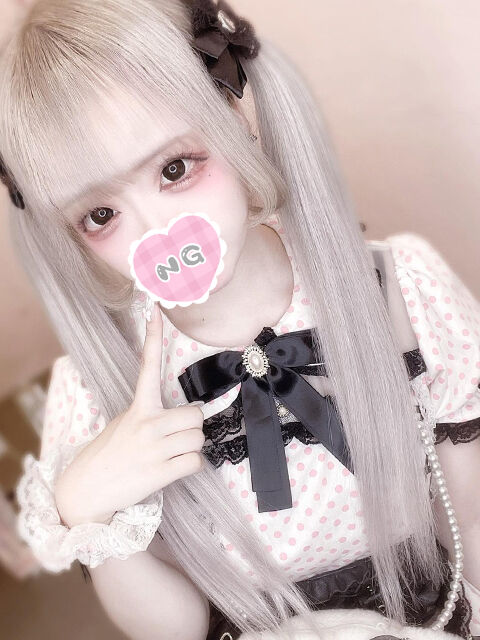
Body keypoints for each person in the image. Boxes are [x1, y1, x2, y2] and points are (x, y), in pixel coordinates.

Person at [1, 0, 479, 638]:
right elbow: (173, 631)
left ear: (232, 118)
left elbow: (470, 519)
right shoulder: (92, 393)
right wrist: (88, 511)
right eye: (101, 215)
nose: (157, 231)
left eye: (174, 169)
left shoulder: (397, 289)